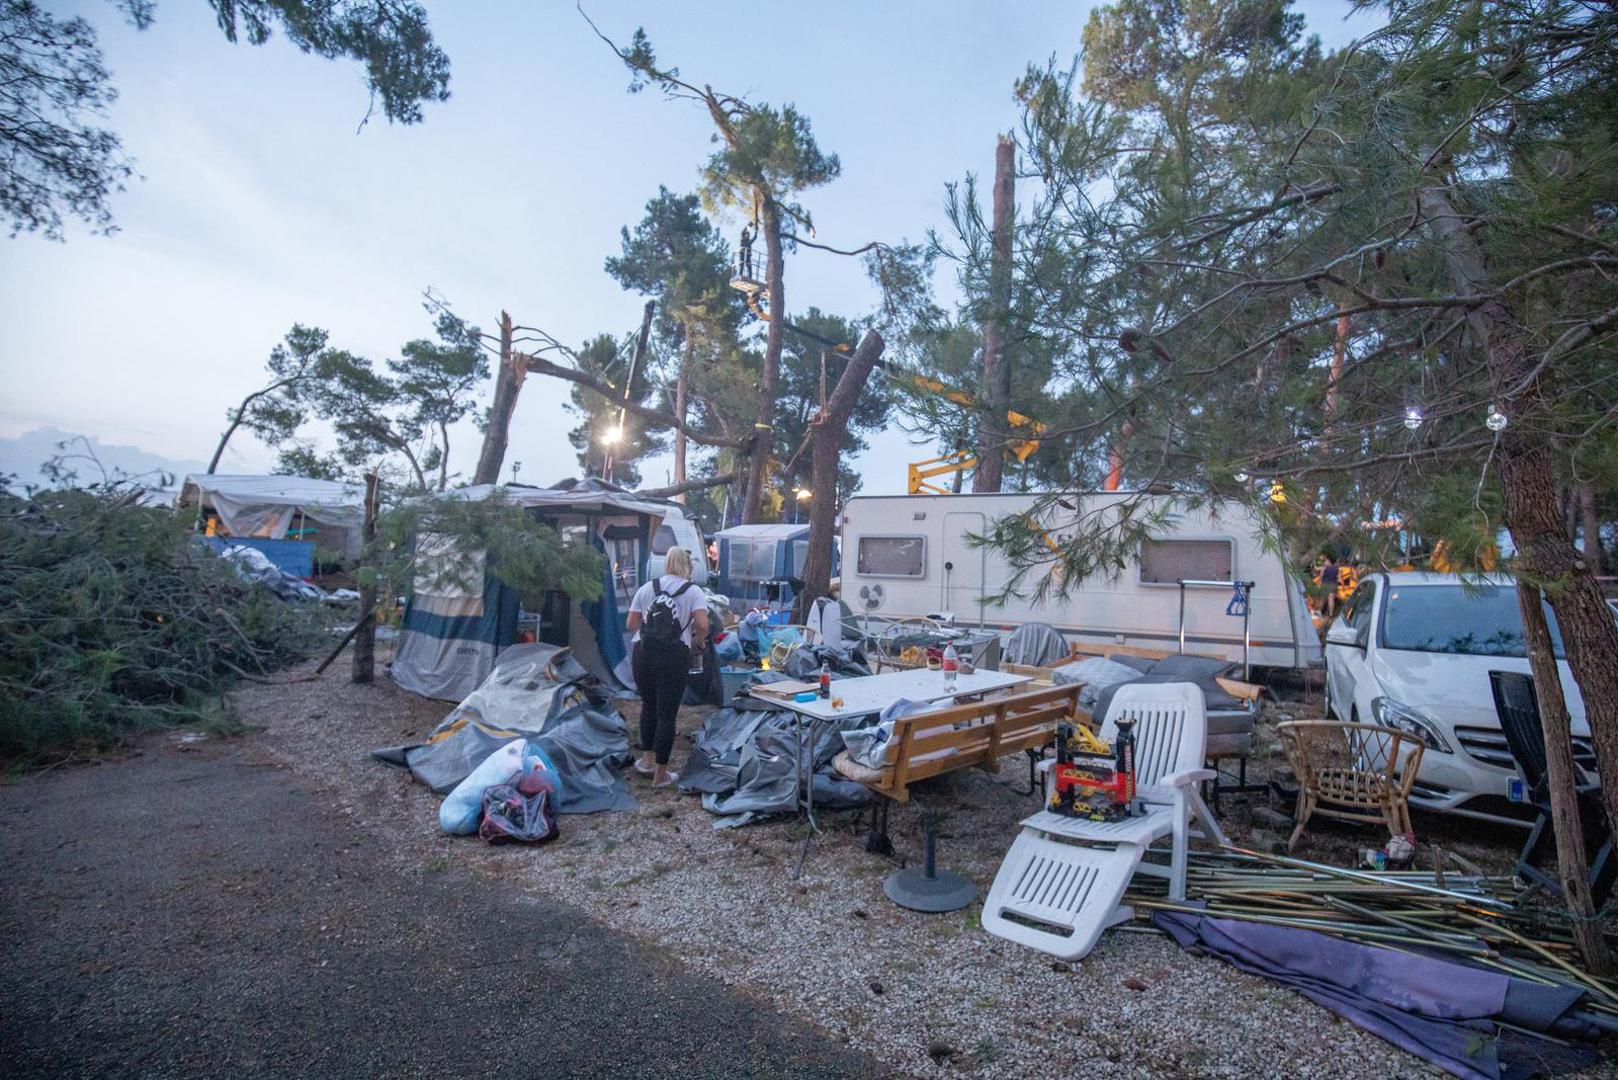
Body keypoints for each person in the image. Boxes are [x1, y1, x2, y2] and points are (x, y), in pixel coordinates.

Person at [626, 546, 709, 787]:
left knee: (648, 705)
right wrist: (697, 641)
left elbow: (631, 623)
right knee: (667, 714)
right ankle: (660, 775)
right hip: (674, 656)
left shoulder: (647, 588)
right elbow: (702, 624)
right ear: (687, 566)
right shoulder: (693, 591)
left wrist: (651, 630)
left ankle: (647, 760)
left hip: (643, 653)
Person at [807, 578, 847, 651]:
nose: (838, 594)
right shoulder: (821, 603)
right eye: (837, 591)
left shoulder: (837, 604)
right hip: (822, 641)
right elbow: (812, 625)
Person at [1319, 554, 1341, 619]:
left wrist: (1321, 580)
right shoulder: (1336, 568)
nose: (1325, 562)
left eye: (1326, 560)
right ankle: (1331, 614)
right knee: (1331, 599)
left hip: (1325, 584)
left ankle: (1320, 612)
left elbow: (1321, 576)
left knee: (1323, 599)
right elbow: (1339, 577)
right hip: (1333, 585)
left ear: (1329, 561)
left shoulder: (1324, 567)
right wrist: (1342, 585)